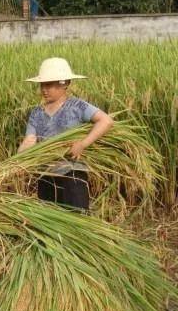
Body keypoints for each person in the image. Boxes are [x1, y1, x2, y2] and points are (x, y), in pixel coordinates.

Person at [18, 57, 114, 211]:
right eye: (42, 84)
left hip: (72, 174)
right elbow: (29, 140)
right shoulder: (36, 113)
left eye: (49, 85)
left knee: (76, 218)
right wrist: (18, 160)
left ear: (64, 84)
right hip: (45, 174)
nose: (44, 89)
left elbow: (106, 121)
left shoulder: (77, 106)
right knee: (49, 222)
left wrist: (82, 144)